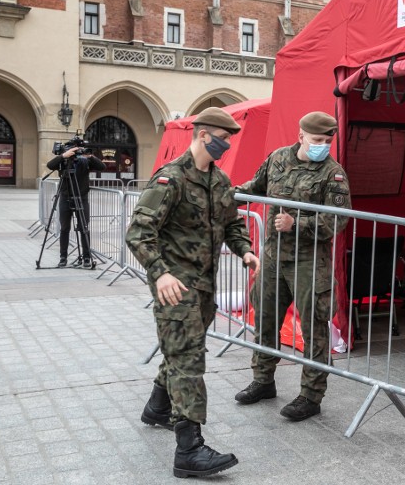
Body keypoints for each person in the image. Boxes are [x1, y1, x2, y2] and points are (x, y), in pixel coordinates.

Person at [126, 107, 260, 478]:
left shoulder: (219, 181)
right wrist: (161, 273)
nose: (226, 143)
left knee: (181, 351)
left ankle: (157, 408)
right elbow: (138, 233)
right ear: (203, 135)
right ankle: (189, 449)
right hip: (175, 288)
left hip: (204, 289)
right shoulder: (171, 179)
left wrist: (246, 250)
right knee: (188, 361)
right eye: (222, 136)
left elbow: (232, 224)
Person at [234, 111, 351, 422]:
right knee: (266, 319)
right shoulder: (278, 159)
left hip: (310, 261)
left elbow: (338, 219)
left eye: (328, 141)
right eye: (316, 140)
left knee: (314, 327)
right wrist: (228, 196)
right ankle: (263, 381)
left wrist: (296, 222)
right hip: (273, 257)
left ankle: (311, 396)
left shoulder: (333, 173)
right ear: (301, 136)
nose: (322, 146)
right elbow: (255, 186)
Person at [46, 144, 106, 268]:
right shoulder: (64, 161)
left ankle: (86, 257)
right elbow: (50, 165)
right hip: (65, 198)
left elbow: (102, 167)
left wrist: (90, 156)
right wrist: (63, 156)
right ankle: (63, 257)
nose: (77, 153)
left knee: (84, 228)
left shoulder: (85, 161)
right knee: (64, 228)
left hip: (81, 198)